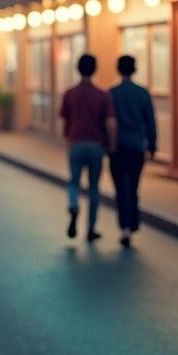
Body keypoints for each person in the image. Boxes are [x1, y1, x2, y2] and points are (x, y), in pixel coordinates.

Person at [59, 54, 116, 243]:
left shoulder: (70, 93)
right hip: (96, 145)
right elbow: (110, 123)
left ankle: (74, 205)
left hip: (75, 143)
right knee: (93, 188)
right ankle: (91, 228)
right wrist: (112, 143)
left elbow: (65, 121)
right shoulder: (103, 95)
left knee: (74, 182)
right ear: (94, 69)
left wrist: (67, 139)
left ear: (78, 68)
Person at [109, 55, 157, 248]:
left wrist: (107, 144)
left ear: (119, 69)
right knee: (134, 186)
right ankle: (134, 221)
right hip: (137, 146)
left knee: (121, 187)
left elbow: (108, 122)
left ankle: (124, 227)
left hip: (118, 147)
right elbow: (150, 121)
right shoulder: (143, 93)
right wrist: (152, 144)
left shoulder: (112, 93)